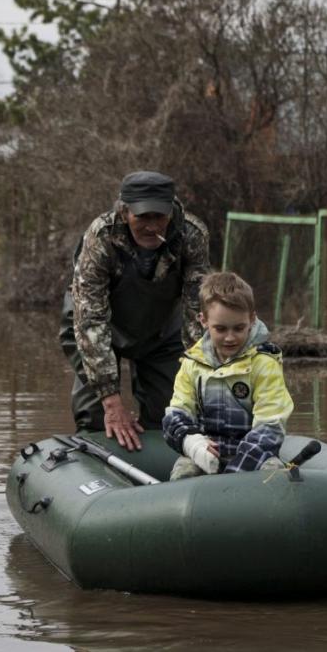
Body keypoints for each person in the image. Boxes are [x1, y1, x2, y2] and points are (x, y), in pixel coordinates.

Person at [59, 171, 210, 451]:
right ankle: (95, 460)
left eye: (159, 217)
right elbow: (90, 320)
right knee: (96, 415)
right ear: (124, 211)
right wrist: (111, 400)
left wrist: (199, 377)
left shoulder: (192, 234)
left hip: (160, 328)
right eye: (142, 217)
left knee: (172, 413)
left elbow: (196, 313)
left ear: (171, 211)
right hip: (95, 324)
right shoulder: (101, 236)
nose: (152, 226)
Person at [162, 271, 293, 479]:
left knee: (273, 474)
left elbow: (270, 427)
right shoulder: (191, 364)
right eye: (221, 329)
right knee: (184, 472)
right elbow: (177, 414)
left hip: (254, 456)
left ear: (251, 319)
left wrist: (233, 475)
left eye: (239, 328)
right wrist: (193, 444)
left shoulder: (264, 364)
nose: (230, 338)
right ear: (204, 321)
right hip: (206, 453)